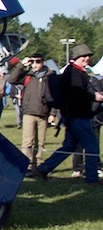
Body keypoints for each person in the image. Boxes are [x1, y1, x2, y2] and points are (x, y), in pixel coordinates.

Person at [36, 44, 102, 185]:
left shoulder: (76, 71)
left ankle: (44, 168)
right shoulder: (74, 73)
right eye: (85, 56)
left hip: (72, 116)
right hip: (77, 116)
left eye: (88, 56)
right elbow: (76, 92)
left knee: (69, 147)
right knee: (92, 147)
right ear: (77, 57)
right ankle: (92, 179)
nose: (87, 58)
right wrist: (94, 96)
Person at [7, 52, 57, 175]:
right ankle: (28, 166)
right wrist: (21, 65)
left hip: (44, 113)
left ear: (43, 62)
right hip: (29, 112)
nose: (35, 64)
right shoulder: (27, 75)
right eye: (33, 62)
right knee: (27, 142)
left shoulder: (50, 76)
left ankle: (39, 166)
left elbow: (55, 96)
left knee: (40, 143)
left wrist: (53, 113)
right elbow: (12, 79)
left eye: (38, 61)